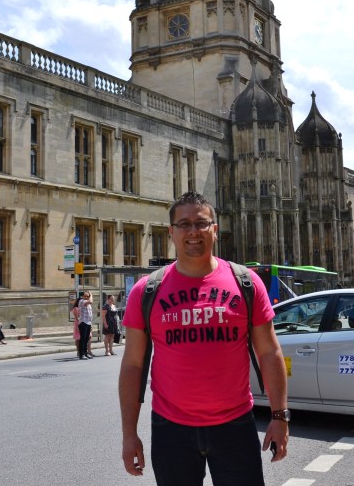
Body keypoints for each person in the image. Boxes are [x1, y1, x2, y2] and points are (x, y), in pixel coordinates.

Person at [118, 191, 288, 485]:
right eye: (184, 224)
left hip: (235, 425)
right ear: (171, 232)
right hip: (171, 429)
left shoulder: (245, 282)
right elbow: (133, 365)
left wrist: (280, 416)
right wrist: (129, 434)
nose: (193, 231)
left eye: (201, 223)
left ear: (215, 230)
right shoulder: (147, 291)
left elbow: (270, 352)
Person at [78, 291, 94, 359]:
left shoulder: (88, 304)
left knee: (86, 339)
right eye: (85, 296)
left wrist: (91, 323)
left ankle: (85, 353)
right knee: (83, 339)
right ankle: (81, 354)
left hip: (88, 322)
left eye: (88, 296)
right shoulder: (82, 301)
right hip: (83, 322)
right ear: (83, 296)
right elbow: (91, 301)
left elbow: (90, 314)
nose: (86, 297)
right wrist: (91, 295)